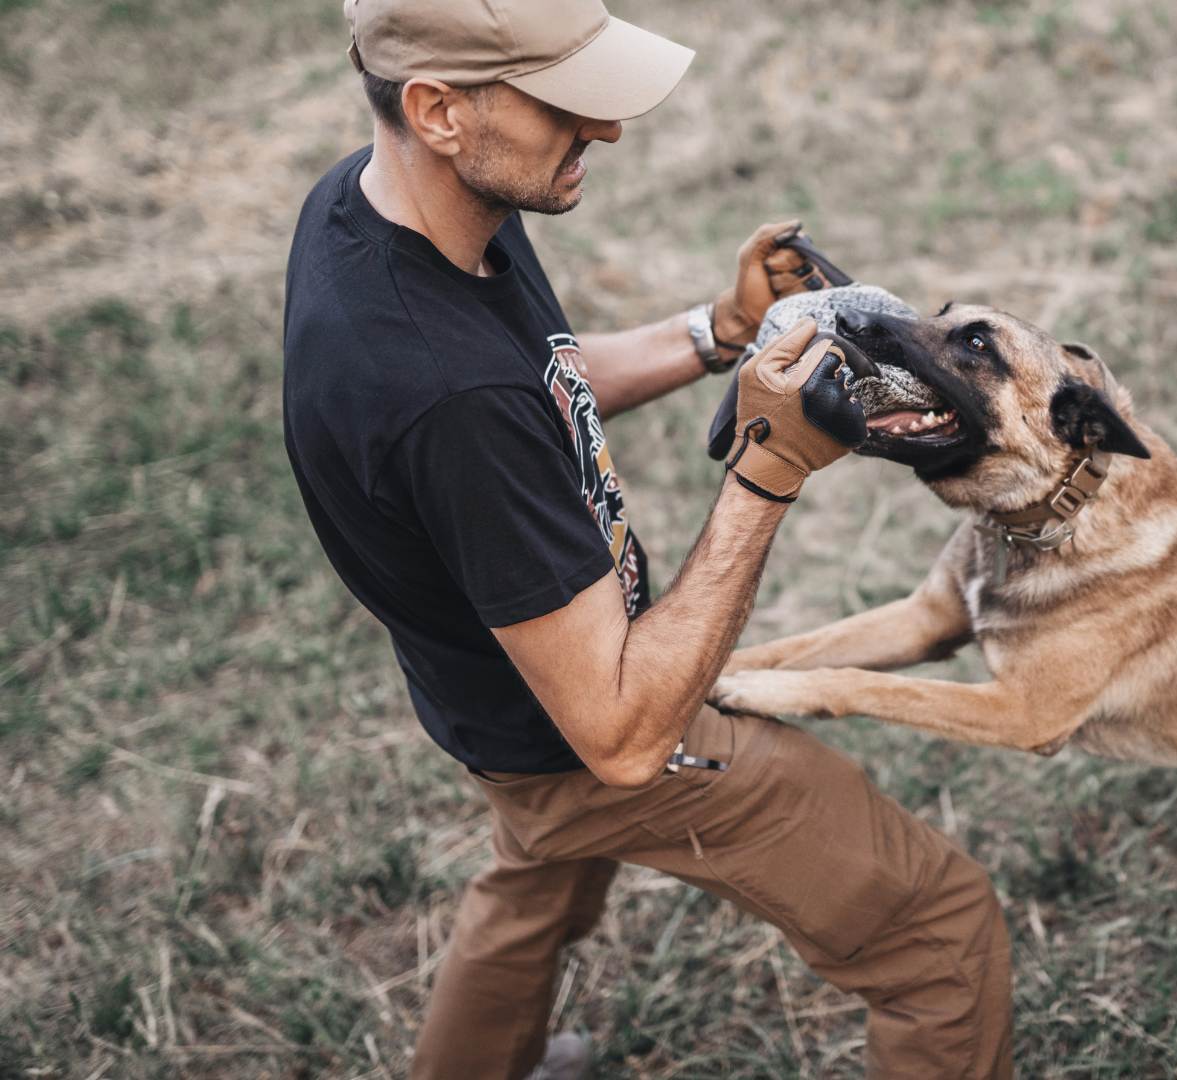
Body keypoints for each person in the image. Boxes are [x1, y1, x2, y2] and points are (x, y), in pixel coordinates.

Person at [280, 2, 1013, 1077]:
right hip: (595, 732)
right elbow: (621, 738)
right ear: (439, 108)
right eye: (565, 102)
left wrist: (714, 330)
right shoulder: (445, 394)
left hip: (493, 705)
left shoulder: (383, 205)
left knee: (534, 883)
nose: (607, 130)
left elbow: (543, 388)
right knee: (938, 930)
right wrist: (769, 464)